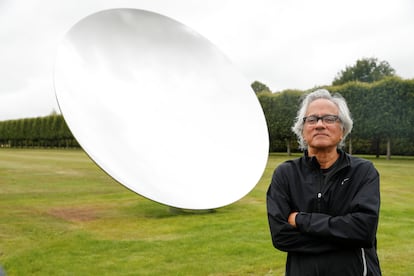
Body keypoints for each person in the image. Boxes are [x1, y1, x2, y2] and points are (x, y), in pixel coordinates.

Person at [266, 89, 381, 275]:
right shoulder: (285, 174)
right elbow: (281, 237)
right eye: (312, 119)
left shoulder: (363, 172)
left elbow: (363, 230)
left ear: (342, 130)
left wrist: (301, 219)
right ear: (302, 131)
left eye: (329, 119)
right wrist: (344, 238)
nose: (319, 125)